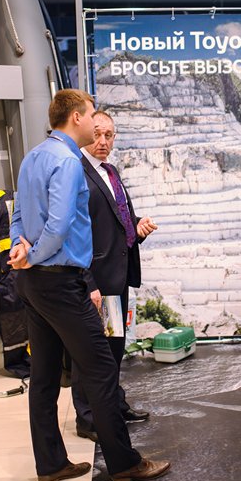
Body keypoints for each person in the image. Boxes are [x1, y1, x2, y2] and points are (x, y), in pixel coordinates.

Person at [9, 89, 170, 481]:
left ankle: (51, 465)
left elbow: (18, 214)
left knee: (44, 377)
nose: (98, 129)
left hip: (34, 283)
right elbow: (59, 225)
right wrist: (35, 255)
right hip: (61, 282)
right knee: (100, 368)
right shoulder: (67, 162)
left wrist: (20, 249)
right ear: (77, 117)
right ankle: (124, 463)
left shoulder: (33, 157)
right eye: (92, 116)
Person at [73, 110, 157, 443]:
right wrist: (89, 283)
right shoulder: (77, 173)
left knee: (113, 347)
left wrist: (137, 228)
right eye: (97, 134)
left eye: (109, 135)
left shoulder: (110, 171)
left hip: (116, 278)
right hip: (96, 282)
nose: (103, 141)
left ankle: (114, 405)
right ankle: (87, 417)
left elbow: (118, 221)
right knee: (90, 352)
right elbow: (75, 234)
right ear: (85, 133)